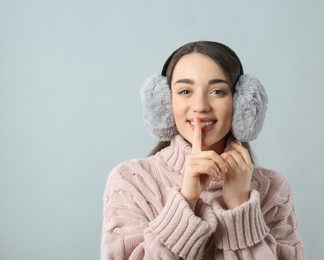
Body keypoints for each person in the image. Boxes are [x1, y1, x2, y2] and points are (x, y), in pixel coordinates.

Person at [101, 41, 305, 259]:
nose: (200, 106)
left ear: (241, 104)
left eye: (217, 91)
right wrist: (186, 198)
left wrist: (240, 207)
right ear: (165, 104)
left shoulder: (274, 189)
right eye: (185, 91)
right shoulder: (131, 182)